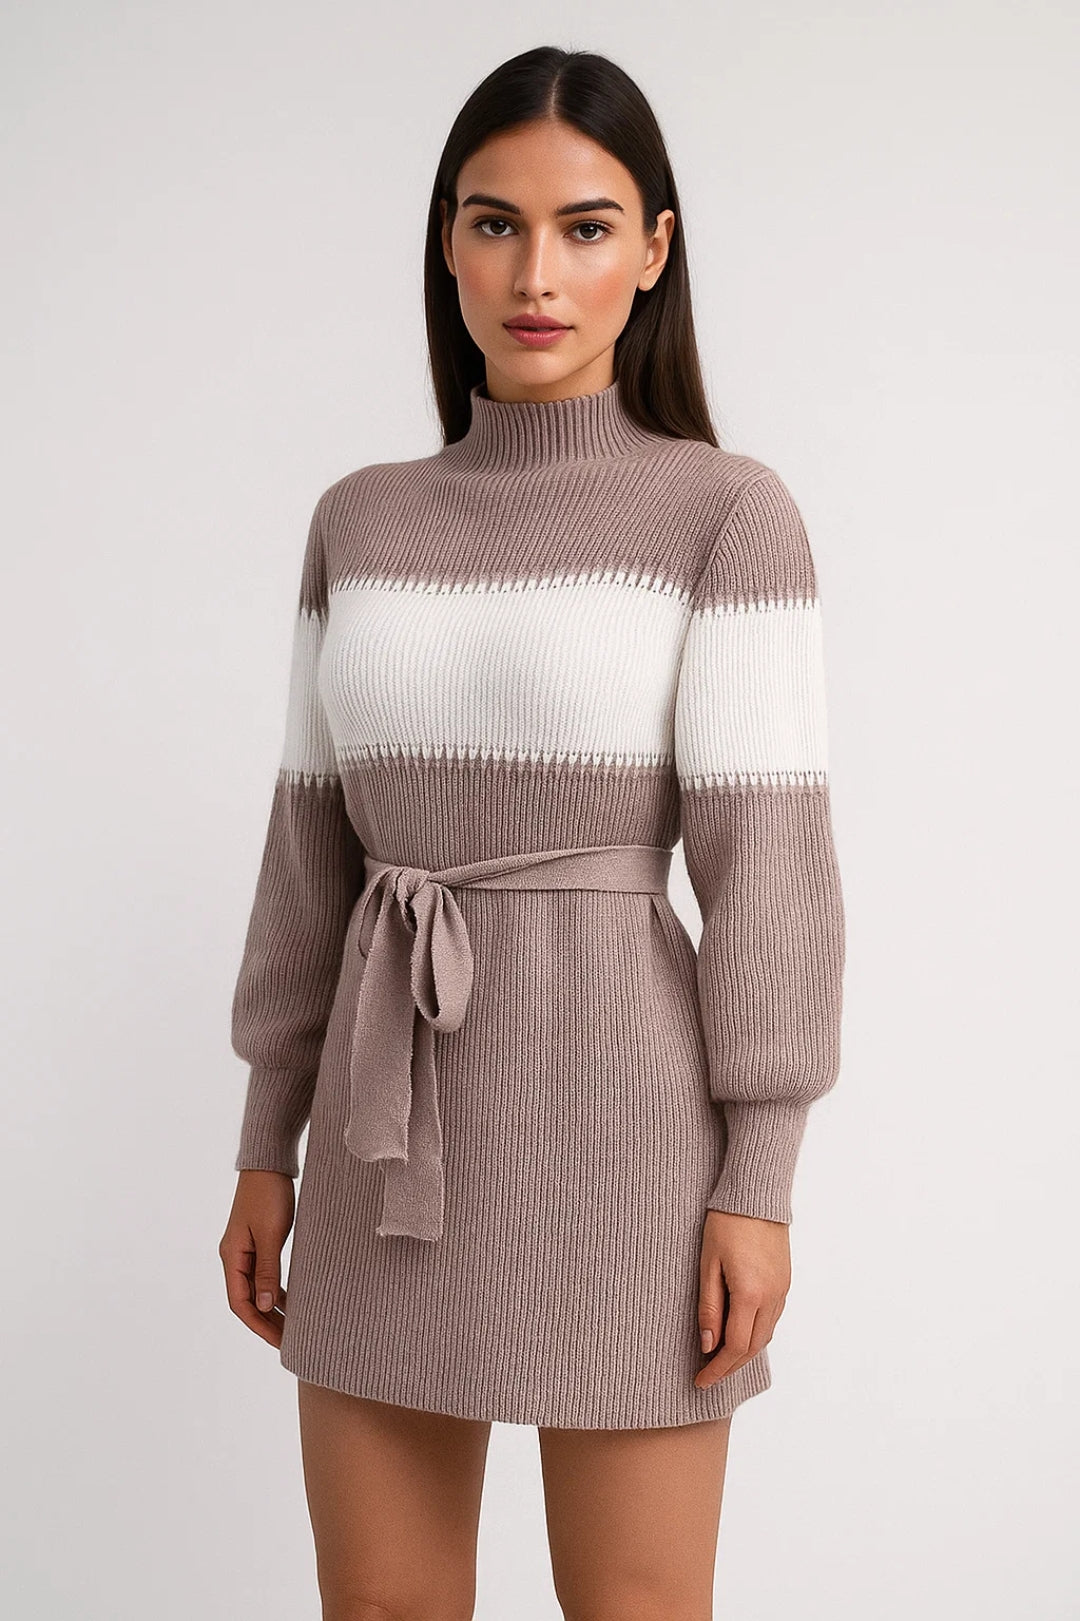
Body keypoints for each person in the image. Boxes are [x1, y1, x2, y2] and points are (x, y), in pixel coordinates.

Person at [218, 44, 845, 1621]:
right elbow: (309, 858)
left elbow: (769, 872)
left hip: (626, 1147)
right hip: (383, 1143)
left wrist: (759, 1176)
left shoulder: (726, 513)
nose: (536, 274)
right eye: (495, 224)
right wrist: (264, 1141)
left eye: (585, 227)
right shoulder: (360, 519)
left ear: (656, 249)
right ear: (447, 244)